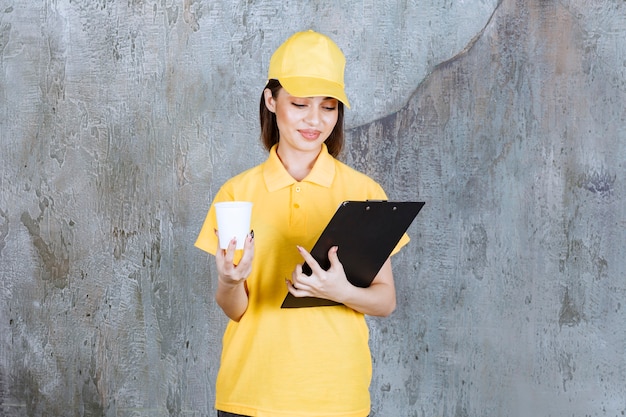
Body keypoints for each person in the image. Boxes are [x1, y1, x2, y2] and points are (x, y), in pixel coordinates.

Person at [195, 30, 410, 417]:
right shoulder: (236, 193)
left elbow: (385, 300)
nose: (315, 120)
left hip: (336, 398)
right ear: (271, 100)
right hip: (251, 396)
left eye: (328, 107)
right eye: (299, 104)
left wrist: (340, 290)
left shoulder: (363, 192)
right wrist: (229, 280)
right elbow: (236, 308)